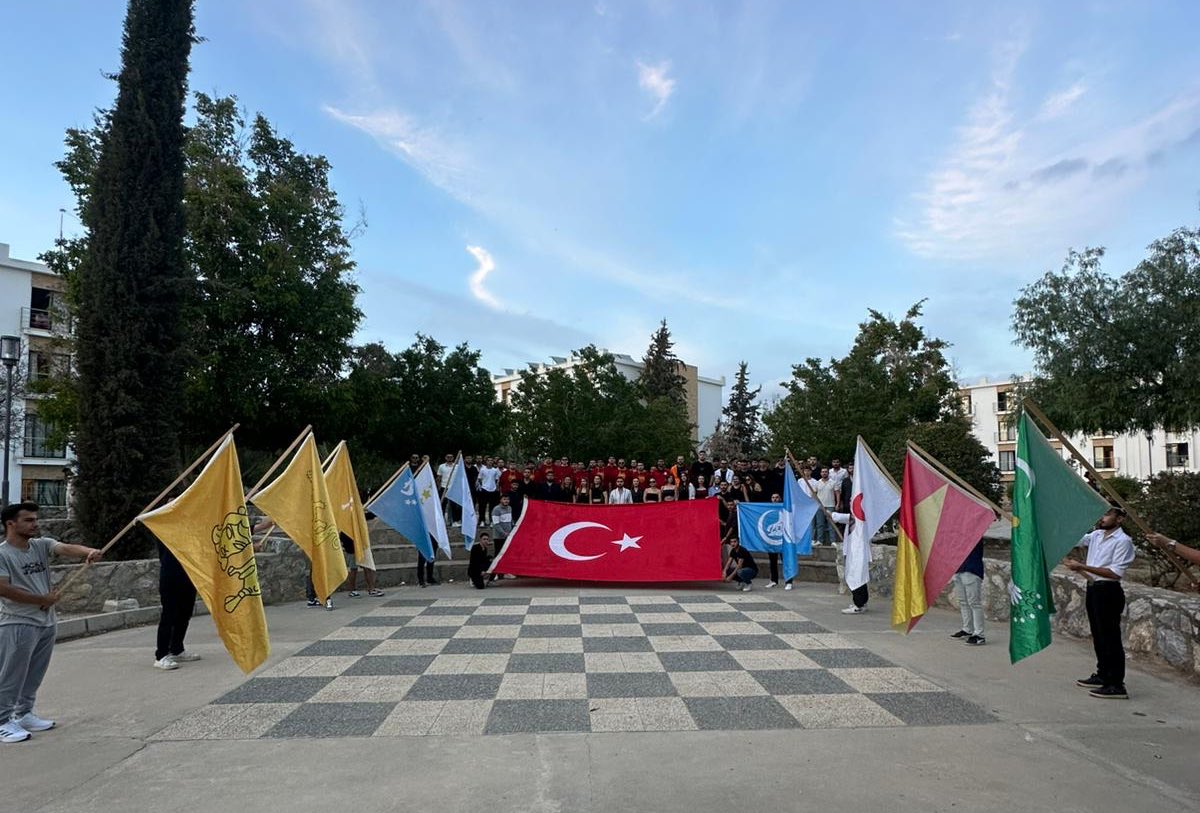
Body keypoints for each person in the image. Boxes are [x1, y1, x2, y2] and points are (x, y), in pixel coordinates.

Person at [0, 501, 102, 743]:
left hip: (45, 621)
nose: (35, 524)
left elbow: (66, 548)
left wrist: (88, 551)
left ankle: (24, 713)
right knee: (11, 674)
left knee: (34, 673)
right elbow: (3, 589)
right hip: (17, 622)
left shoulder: (40, 545)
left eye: (36, 519)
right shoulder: (3, 554)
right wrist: (40, 599)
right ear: (10, 524)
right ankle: (3, 720)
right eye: (29, 520)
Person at [1065, 507, 1136, 699]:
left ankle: (1116, 684)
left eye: (1107, 515)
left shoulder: (1123, 541)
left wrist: (1082, 566)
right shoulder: (1096, 535)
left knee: (1110, 637)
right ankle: (1103, 674)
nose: (1102, 518)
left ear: (1119, 518)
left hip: (1109, 591)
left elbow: (1114, 572)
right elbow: (1073, 537)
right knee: (1098, 634)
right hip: (1094, 588)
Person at [154, 540, 201, 670]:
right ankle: (161, 655)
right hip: (170, 573)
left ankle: (177, 649)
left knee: (185, 612)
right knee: (169, 614)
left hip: (189, 572)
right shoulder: (163, 523)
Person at [950, 540, 985, 645]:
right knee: (963, 601)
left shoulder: (975, 530)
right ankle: (967, 629)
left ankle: (979, 634)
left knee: (974, 603)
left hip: (971, 568)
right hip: (958, 567)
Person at [342, 532, 384, 599]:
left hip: (349, 540)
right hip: (354, 540)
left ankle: (353, 590)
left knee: (355, 568)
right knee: (362, 566)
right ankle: (370, 588)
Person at [814, 468, 838, 545]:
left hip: (831, 505)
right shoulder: (817, 483)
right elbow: (814, 494)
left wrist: (837, 504)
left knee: (831, 524)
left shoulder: (833, 482)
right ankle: (819, 541)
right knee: (819, 524)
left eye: (825, 472)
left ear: (828, 473)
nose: (824, 473)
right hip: (819, 506)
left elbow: (837, 493)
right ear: (820, 473)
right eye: (823, 472)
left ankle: (833, 541)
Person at [476, 457, 501, 526]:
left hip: (493, 490)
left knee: (492, 507)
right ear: (486, 462)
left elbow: (496, 480)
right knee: (482, 506)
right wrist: (483, 486)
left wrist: (496, 487)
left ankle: (492, 521)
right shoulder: (482, 469)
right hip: (484, 489)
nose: (490, 462)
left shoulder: (495, 470)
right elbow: (480, 479)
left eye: (491, 460)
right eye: (488, 460)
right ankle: (482, 521)